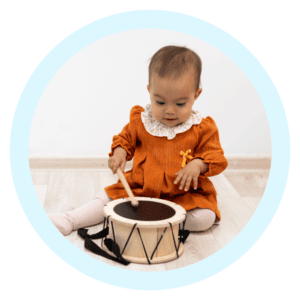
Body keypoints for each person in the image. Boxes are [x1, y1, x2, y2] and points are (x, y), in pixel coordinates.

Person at [49, 45, 228, 236]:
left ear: (196, 95)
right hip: (141, 188)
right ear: (150, 91)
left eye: (180, 103)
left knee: (204, 219)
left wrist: (198, 164)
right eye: (160, 102)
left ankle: (154, 220)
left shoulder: (202, 128)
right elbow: (125, 139)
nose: (169, 110)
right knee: (106, 198)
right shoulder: (142, 121)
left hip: (182, 195)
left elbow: (216, 156)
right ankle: (70, 220)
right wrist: (119, 153)